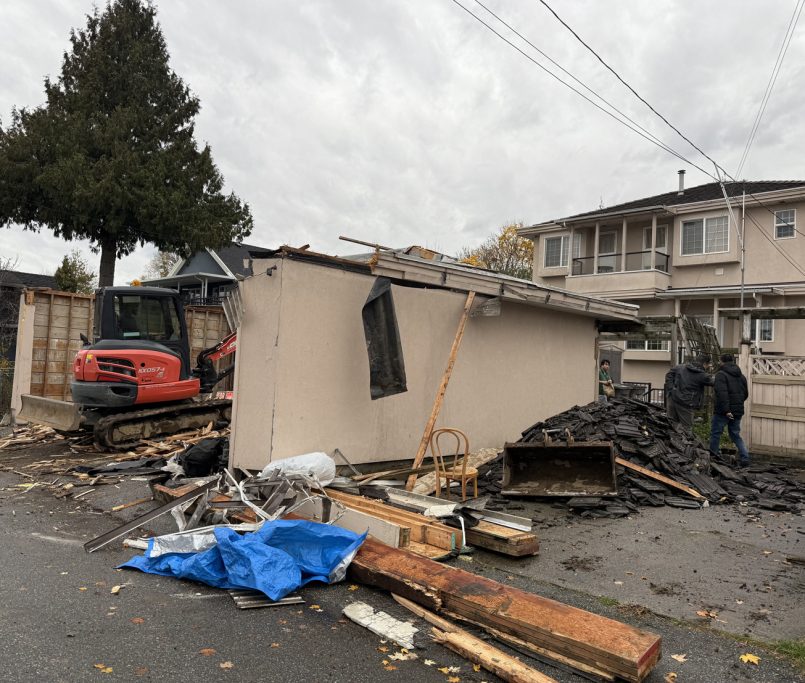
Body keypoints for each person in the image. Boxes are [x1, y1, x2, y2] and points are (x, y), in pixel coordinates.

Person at [709, 353, 751, 466]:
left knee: (716, 433)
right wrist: (736, 405)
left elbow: (722, 394)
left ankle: (713, 457)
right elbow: (745, 394)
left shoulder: (721, 375)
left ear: (721, 361)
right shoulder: (741, 376)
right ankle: (745, 458)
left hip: (723, 411)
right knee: (735, 434)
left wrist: (727, 410)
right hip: (737, 411)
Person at [664, 353, 714, 428]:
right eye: (708, 365)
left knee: (672, 426)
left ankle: (672, 439)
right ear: (704, 364)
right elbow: (715, 382)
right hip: (687, 403)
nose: (708, 367)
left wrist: (671, 389)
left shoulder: (680, 367)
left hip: (672, 399)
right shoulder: (702, 375)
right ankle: (683, 440)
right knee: (687, 428)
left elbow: (669, 375)